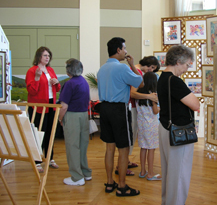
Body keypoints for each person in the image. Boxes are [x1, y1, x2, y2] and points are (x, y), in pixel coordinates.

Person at [97, 37, 141, 196]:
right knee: (123, 149)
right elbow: (140, 83)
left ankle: (110, 183)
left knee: (109, 148)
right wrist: (131, 65)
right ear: (118, 50)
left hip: (104, 108)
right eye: (125, 48)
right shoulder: (122, 68)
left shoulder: (101, 69)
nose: (126, 51)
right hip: (119, 110)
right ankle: (122, 186)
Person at [157, 45, 200, 205]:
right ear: (178, 61)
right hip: (177, 132)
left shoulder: (163, 78)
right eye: (187, 65)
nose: (187, 69)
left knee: (170, 172)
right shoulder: (174, 81)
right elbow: (195, 104)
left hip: (166, 127)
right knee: (179, 174)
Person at [117, 56, 159, 176]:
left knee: (137, 141)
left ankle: (128, 163)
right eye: (152, 68)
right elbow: (133, 93)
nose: (151, 71)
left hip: (136, 110)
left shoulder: (136, 71)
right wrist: (150, 97)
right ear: (149, 65)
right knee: (129, 137)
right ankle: (122, 164)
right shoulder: (138, 72)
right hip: (133, 109)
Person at [25, 46, 61, 173]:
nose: (47, 58)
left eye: (49, 56)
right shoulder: (32, 71)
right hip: (38, 106)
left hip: (51, 104)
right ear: (39, 57)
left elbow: (57, 88)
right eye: (45, 55)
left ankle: (50, 158)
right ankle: (37, 161)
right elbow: (31, 91)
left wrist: (56, 82)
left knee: (50, 132)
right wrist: (36, 78)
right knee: (39, 133)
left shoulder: (50, 69)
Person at [58, 58, 92, 186]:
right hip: (84, 115)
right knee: (82, 145)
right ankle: (86, 173)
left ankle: (77, 177)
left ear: (68, 70)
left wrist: (60, 119)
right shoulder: (84, 81)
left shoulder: (70, 84)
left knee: (72, 146)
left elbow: (64, 106)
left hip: (72, 116)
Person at [136, 72, 161, 181]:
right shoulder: (152, 95)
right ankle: (150, 173)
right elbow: (155, 111)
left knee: (143, 148)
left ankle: (142, 171)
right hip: (151, 125)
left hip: (141, 125)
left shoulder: (139, 94)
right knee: (151, 149)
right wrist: (160, 108)